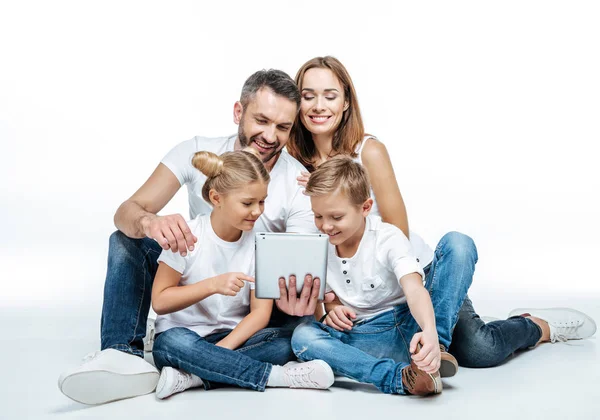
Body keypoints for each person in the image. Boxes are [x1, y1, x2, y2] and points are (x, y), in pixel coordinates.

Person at [287, 56, 597, 370]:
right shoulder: (291, 163)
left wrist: (335, 185)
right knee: (475, 348)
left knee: (479, 351)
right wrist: (332, 299)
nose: (318, 105)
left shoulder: (368, 151)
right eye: (308, 96)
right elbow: (307, 246)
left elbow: (397, 230)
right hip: (365, 303)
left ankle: (534, 326)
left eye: (330, 95)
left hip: (414, 279)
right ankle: (441, 343)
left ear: (346, 102)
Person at [58, 69, 334, 405]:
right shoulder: (197, 152)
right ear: (238, 112)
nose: (270, 135)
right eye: (261, 120)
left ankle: (191, 371)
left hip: (251, 307)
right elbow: (127, 211)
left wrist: (297, 293)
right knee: (124, 240)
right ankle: (121, 356)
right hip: (192, 287)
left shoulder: (295, 182)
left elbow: (293, 268)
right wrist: (149, 221)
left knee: (297, 336)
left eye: (282, 127)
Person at [151, 149, 334, 399]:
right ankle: (276, 377)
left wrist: (219, 353)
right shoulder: (187, 235)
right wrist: (213, 284)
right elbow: (160, 302)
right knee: (173, 343)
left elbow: (260, 314)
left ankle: (195, 376)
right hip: (184, 337)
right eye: (248, 203)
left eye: (262, 201)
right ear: (217, 198)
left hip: (233, 338)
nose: (257, 211)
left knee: (294, 335)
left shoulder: (262, 243)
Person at [292, 157, 459, 396]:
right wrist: (332, 310)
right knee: (302, 336)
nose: (326, 226)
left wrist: (429, 329)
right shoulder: (318, 247)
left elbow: (414, 288)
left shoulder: (387, 237)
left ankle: (434, 348)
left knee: (458, 244)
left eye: (336, 217)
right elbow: (327, 298)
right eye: (318, 216)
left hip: (409, 323)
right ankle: (403, 378)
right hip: (365, 335)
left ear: (365, 207)